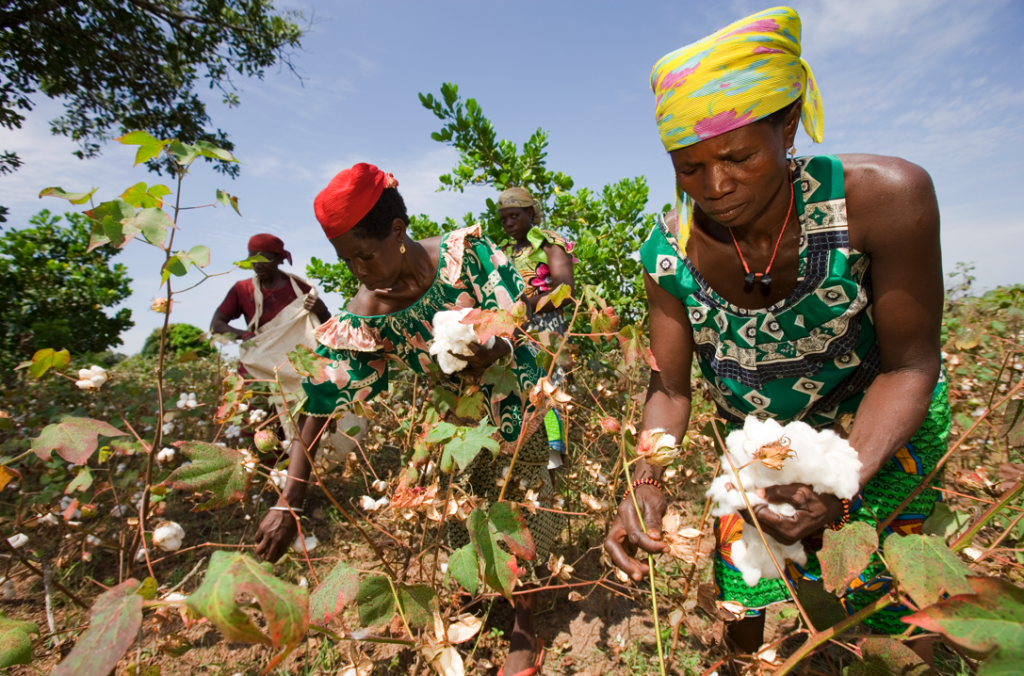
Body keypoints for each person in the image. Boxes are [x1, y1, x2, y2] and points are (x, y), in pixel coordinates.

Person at [603, 6, 950, 657]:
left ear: (788, 124)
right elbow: (671, 392)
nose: (717, 186)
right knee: (743, 594)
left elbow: (909, 367)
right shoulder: (667, 255)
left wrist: (838, 474)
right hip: (762, 455)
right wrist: (646, 482)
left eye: (738, 156)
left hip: (877, 431)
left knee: (890, 614)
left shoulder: (883, 200)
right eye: (688, 167)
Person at [254, 163, 561, 676]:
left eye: (365, 255)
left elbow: (516, 314)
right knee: (475, 511)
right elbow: (321, 404)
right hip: (457, 425)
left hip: (517, 398)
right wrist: (291, 498)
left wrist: (495, 344)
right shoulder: (365, 315)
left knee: (522, 504)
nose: (359, 270)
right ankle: (494, 590)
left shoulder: (466, 258)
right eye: (346, 260)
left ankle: (524, 621)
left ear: (398, 232)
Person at [211, 233, 332, 441]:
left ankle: (293, 470)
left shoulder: (300, 289)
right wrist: (246, 335)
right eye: (252, 259)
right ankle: (259, 470)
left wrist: (322, 310)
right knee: (256, 422)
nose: (256, 264)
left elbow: (324, 327)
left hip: (296, 367)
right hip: (258, 365)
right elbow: (217, 324)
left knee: (300, 419)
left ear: (278, 259)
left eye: (263, 258)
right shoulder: (243, 289)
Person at [497, 187, 576, 469]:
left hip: (546, 330)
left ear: (530, 213)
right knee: (519, 394)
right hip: (516, 332)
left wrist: (528, 304)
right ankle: (523, 462)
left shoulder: (550, 244)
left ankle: (554, 463)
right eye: (503, 219)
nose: (508, 223)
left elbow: (565, 291)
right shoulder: (501, 252)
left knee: (548, 390)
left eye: (514, 216)